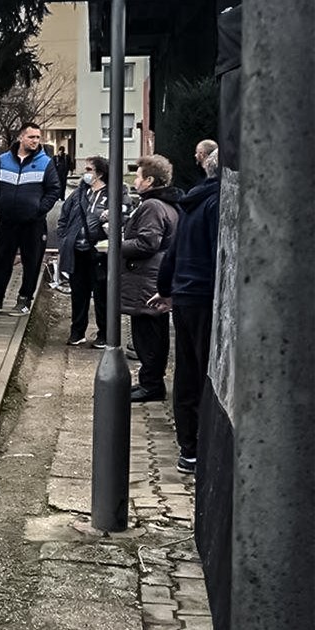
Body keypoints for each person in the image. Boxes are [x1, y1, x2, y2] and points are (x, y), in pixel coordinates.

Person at [149, 150, 220, 475]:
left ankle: (188, 448)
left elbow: (174, 252)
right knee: (206, 373)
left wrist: (166, 290)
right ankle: (202, 448)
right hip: (206, 297)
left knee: (187, 372)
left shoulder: (192, 204)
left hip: (186, 296)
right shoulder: (218, 203)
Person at [0, 122, 62, 316]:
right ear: (21, 137)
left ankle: (24, 300)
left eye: (38, 137)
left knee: (31, 262)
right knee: (2, 260)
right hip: (7, 221)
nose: (35, 141)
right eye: (31, 137)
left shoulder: (45, 162)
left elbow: (54, 189)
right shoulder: (3, 160)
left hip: (33, 223)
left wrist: (39, 210)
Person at [121, 154, 180, 401]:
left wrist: (117, 245)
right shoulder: (163, 204)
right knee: (148, 332)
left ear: (150, 180)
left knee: (148, 334)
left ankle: (152, 385)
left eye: (138, 176)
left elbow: (148, 242)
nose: (135, 180)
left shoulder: (152, 206)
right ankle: (148, 381)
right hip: (151, 276)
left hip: (147, 278)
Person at [57, 156, 117, 347]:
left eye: (89, 169)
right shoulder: (79, 194)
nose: (85, 173)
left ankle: (104, 333)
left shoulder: (113, 193)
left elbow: (123, 215)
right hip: (77, 250)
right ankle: (77, 331)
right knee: (78, 293)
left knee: (101, 295)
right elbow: (64, 217)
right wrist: (64, 237)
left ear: (100, 172)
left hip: (99, 251)